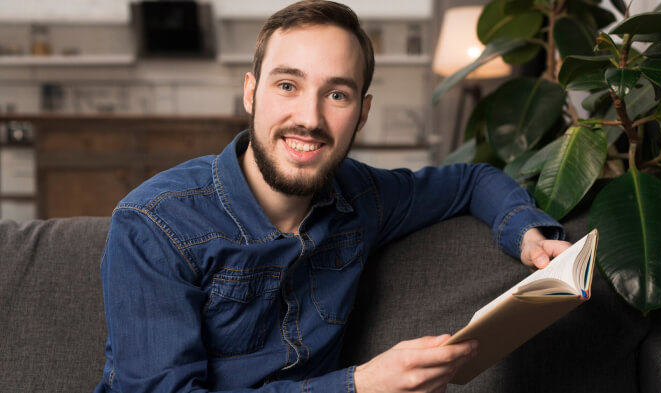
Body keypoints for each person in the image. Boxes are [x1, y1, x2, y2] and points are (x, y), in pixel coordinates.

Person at [94, 1, 571, 392]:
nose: (310, 118)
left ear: (361, 114)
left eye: (337, 95)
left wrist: (527, 233)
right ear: (251, 93)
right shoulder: (154, 224)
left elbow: (471, 180)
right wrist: (360, 385)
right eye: (287, 85)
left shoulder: (363, 196)